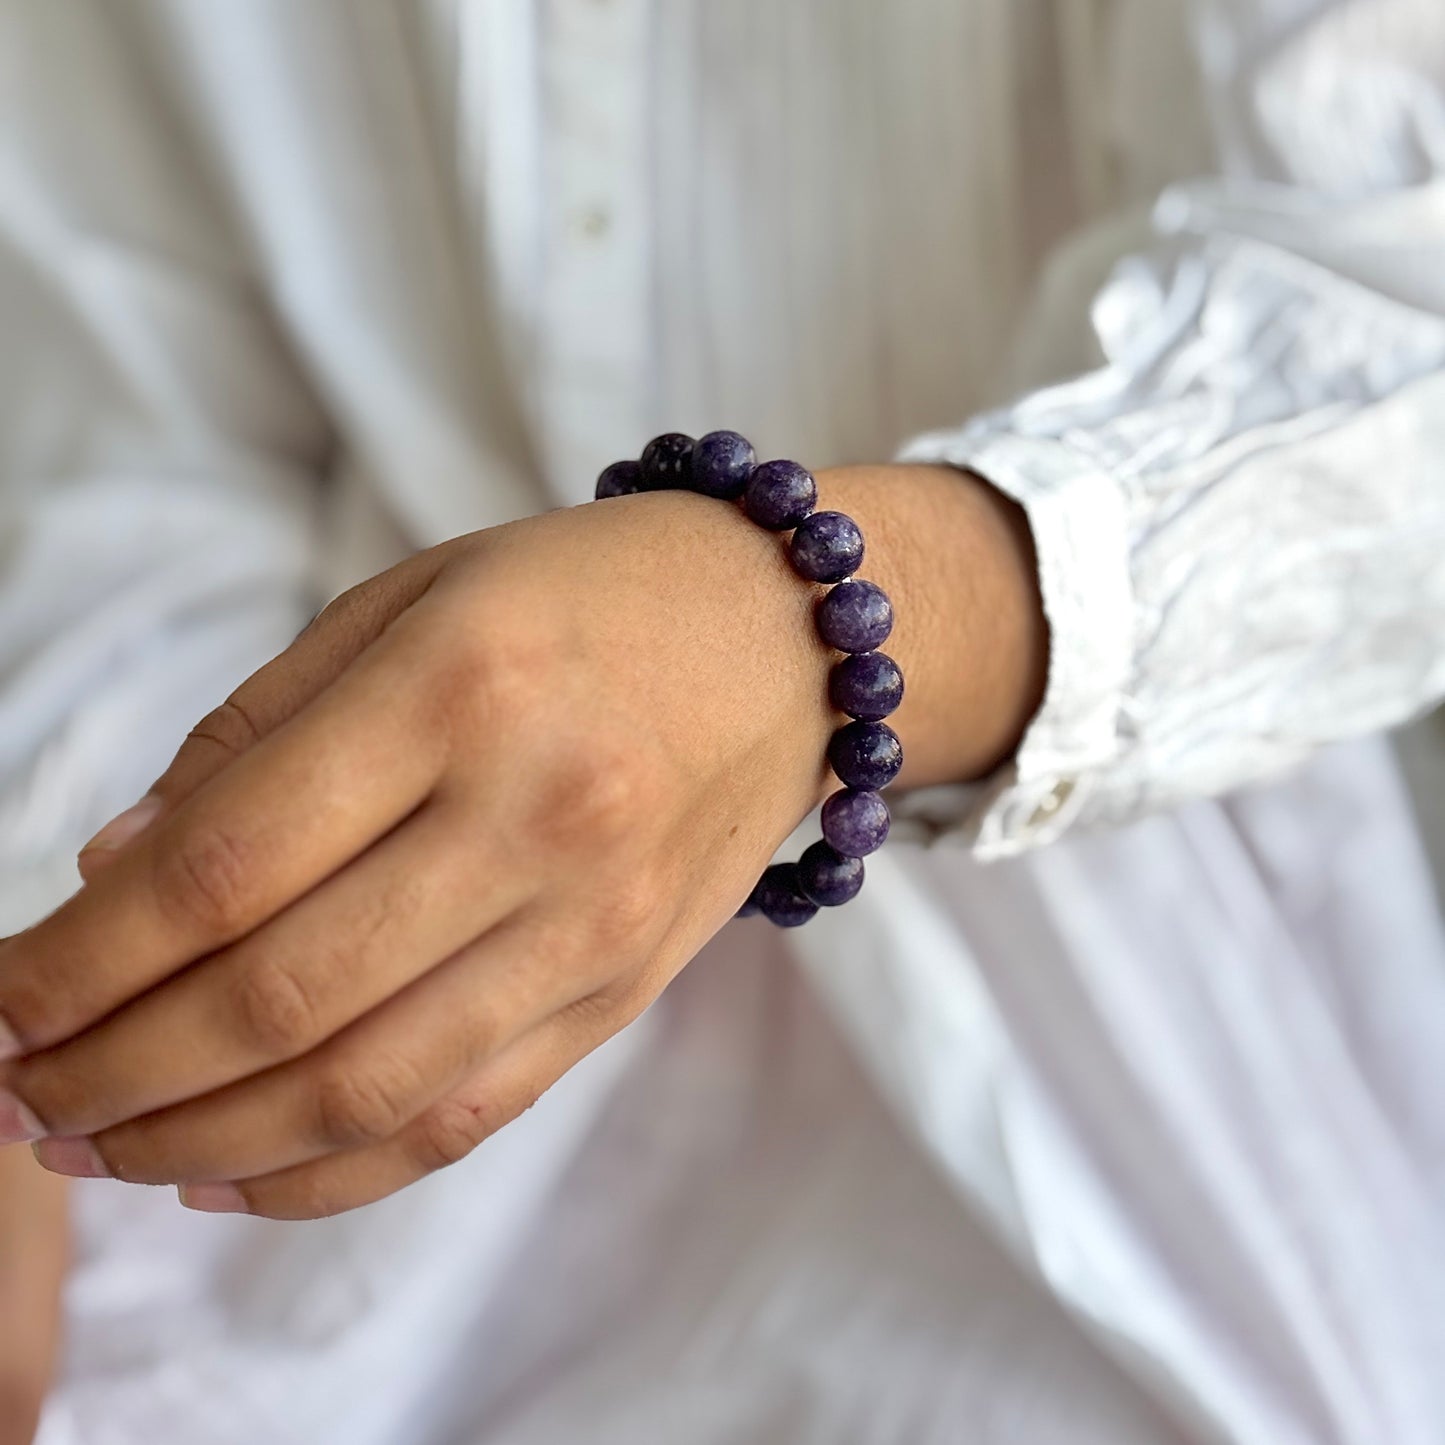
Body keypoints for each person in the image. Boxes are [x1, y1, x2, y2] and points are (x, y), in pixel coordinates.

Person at [2, 1, 1444, 1441]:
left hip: (1126, 1098)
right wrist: (62, 959)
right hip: (330, 1144)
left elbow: (1395, 316)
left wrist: (814, 623)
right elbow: (150, 421)